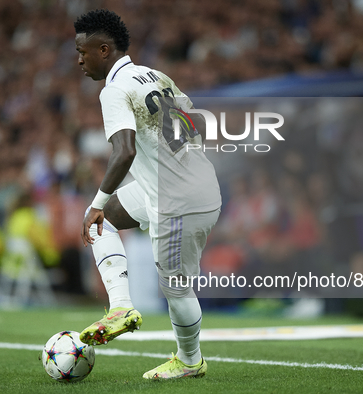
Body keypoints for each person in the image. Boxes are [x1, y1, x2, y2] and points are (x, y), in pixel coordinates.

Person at [74, 9, 221, 379]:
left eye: (83, 51)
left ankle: (190, 361)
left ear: (104, 50)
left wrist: (95, 202)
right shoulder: (155, 76)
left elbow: (124, 151)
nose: (79, 59)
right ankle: (120, 306)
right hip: (188, 187)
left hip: (179, 202)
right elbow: (198, 123)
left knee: (176, 290)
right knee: (101, 223)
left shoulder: (115, 89)